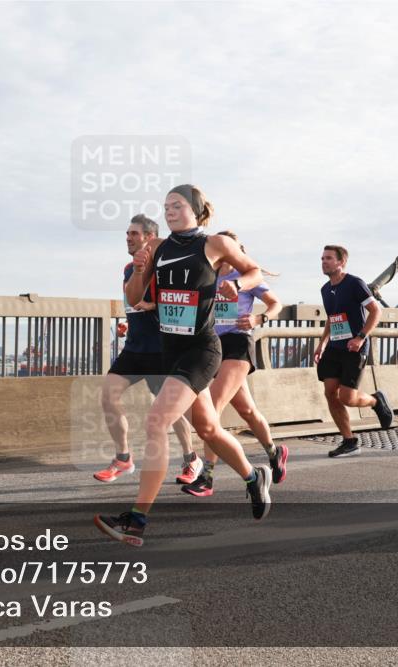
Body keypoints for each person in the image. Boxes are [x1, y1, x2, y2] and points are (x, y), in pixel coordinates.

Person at [94, 185, 272, 547]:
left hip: (201, 350)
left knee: (156, 421)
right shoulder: (157, 248)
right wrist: (140, 271)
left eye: (176, 205)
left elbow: (253, 270)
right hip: (170, 351)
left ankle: (136, 521)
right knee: (208, 428)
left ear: (196, 209)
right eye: (166, 207)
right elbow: (135, 298)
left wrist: (238, 285)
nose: (169, 211)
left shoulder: (215, 244)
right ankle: (255, 477)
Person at [95, 214, 200, 484]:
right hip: (134, 349)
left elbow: (182, 301)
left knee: (171, 411)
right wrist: (129, 323)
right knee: (108, 396)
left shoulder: (165, 267)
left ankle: (191, 459)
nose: (128, 238)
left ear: (149, 238)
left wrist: (153, 306)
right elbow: (134, 302)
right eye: (127, 234)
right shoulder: (129, 269)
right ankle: (123, 458)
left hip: (160, 350)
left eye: (134, 234)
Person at [182, 230, 288, 497]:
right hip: (214, 346)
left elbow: (276, 304)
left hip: (239, 343)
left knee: (213, 407)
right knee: (248, 411)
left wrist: (258, 319)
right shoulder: (209, 276)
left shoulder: (246, 277)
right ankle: (274, 452)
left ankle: (207, 476)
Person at [313, 245, 394, 458]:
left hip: (354, 347)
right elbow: (332, 318)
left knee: (347, 398)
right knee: (330, 392)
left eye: (329, 258)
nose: (324, 262)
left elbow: (376, 311)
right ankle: (349, 441)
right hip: (334, 347)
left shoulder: (355, 284)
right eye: (322, 258)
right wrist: (322, 343)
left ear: (341, 262)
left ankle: (376, 401)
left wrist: (361, 337)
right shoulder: (325, 289)